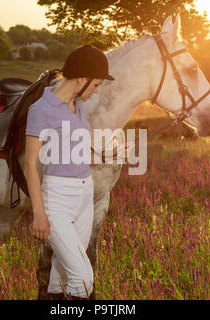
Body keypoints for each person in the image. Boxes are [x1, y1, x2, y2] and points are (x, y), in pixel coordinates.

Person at [25, 44, 128, 300]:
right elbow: (29, 164)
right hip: (57, 199)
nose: (95, 92)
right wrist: (39, 214)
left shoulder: (77, 106)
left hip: (85, 196)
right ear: (81, 78)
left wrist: (108, 156)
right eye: (95, 85)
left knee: (61, 275)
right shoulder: (41, 110)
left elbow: (76, 151)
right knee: (83, 279)